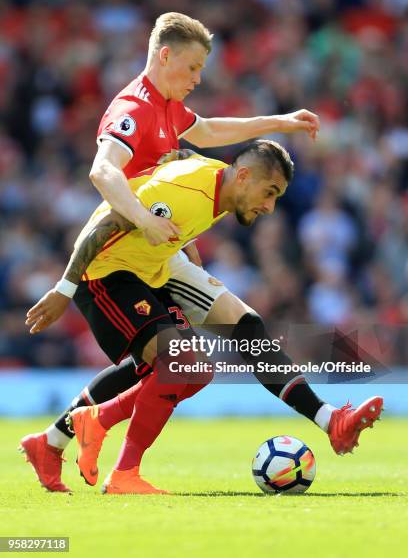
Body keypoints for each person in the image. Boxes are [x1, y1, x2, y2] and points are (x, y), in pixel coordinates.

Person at [23, 141, 383, 494]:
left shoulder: (217, 181)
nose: (270, 207)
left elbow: (183, 155)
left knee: (238, 334)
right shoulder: (185, 193)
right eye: (269, 192)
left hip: (158, 261)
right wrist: (64, 289)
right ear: (243, 176)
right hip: (108, 270)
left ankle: (331, 420)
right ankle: (121, 472)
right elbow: (100, 228)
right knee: (178, 364)